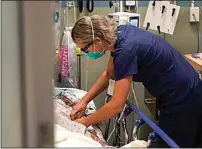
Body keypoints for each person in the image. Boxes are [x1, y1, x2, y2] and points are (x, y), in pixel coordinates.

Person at [70, 15, 202, 147]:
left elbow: (116, 105)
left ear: (97, 40)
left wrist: (86, 121)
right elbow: (109, 73)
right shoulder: (119, 33)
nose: (85, 52)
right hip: (187, 89)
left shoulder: (125, 51)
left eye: (85, 49)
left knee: (178, 144)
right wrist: (84, 101)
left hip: (183, 98)